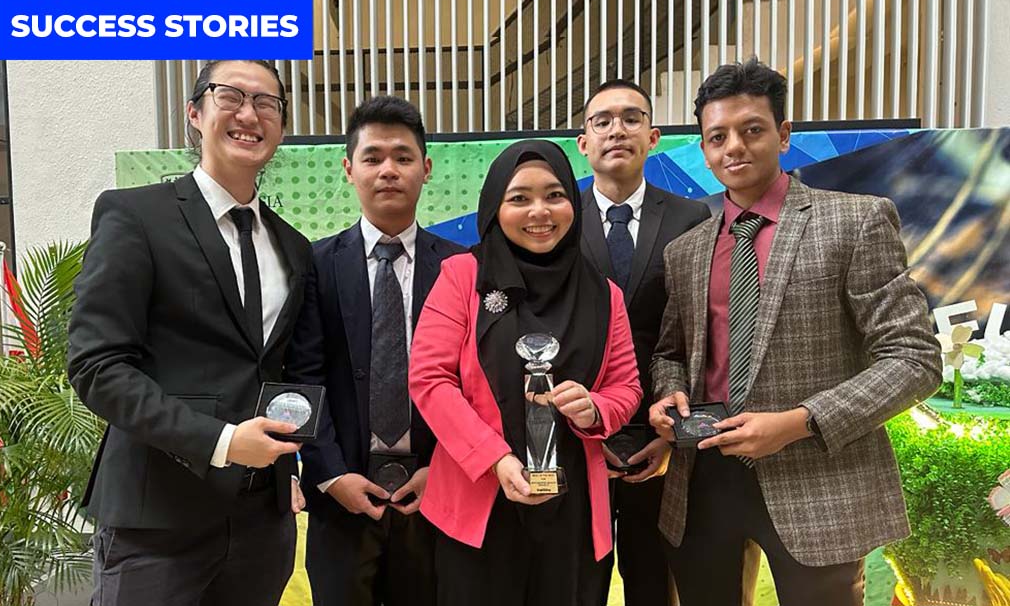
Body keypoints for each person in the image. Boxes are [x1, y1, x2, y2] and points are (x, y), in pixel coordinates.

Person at [648, 58, 942, 606]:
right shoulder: (686, 251)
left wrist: (800, 421)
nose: (734, 147)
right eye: (718, 137)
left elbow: (914, 359)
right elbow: (671, 353)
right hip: (702, 481)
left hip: (817, 483)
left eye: (752, 130)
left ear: (783, 135)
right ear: (704, 150)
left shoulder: (855, 221)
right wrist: (668, 394)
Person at [68, 59, 313, 606]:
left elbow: (278, 371)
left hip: (261, 526)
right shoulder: (136, 215)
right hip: (156, 520)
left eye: (267, 103)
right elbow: (97, 365)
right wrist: (221, 442)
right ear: (195, 114)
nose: (249, 114)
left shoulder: (294, 247)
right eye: (231, 97)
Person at [408, 139, 643, 606]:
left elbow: (626, 387)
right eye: (519, 198)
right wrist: (494, 458)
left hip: (573, 508)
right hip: (479, 498)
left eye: (555, 195)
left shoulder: (604, 294)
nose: (540, 211)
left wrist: (594, 408)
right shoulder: (462, 276)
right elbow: (430, 379)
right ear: (495, 208)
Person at [285, 95, 462, 606]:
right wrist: (330, 474)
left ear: (426, 168)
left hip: (434, 495)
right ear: (349, 169)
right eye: (373, 157)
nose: (389, 170)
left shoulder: (460, 266)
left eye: (403, 157)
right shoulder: (316, 264)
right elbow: (304, 378)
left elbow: (472, 382)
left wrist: (444, 470)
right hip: (341, 498)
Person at [576, 78, 711, 606]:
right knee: (578, 583)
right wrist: (587, 433)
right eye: (602, 121)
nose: (617, 130)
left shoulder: (690, 219)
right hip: (580, 436)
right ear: (584, 142)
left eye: (631, 119)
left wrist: (674, 438)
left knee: (653, 583)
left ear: (653, 137)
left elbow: (698, 335)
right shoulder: (557, 220)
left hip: (661, 435)